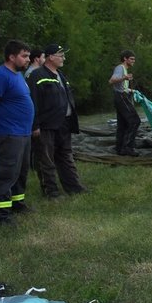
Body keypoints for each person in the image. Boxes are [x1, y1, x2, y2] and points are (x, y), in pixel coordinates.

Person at [0, 40, 34, 226]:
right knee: (6, 173)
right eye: (24, 56)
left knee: (21, 171)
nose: (28, 59)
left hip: (23, 133)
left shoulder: (18, 76)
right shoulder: (0, 75)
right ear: (11, 57)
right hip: (8, 133)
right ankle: (0, 217)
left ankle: (17, 203)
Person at [27, 44, 87, 198]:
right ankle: (51, 191)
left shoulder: (60, 75)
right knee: (46, 158)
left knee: (66, 156)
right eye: (61, 55)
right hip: (47, 125)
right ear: (50, 57)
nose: (63, 58)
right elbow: (32, 102)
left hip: (64, 123)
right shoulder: (37, 76)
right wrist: (35, 125)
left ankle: (74, 187)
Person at [109, 50, 141, 156]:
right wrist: (124, 77)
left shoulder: (124, 69)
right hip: (121, 97)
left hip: (121, 96)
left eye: (134, 59)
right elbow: (111, 81)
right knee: (135, 121)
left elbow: (123, 87)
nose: (133, 61)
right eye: (131, 59)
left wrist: (132, 91)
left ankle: (120, 148)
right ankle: (127, 147)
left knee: (122, 124)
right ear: (125, 59)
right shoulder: (120, 68)